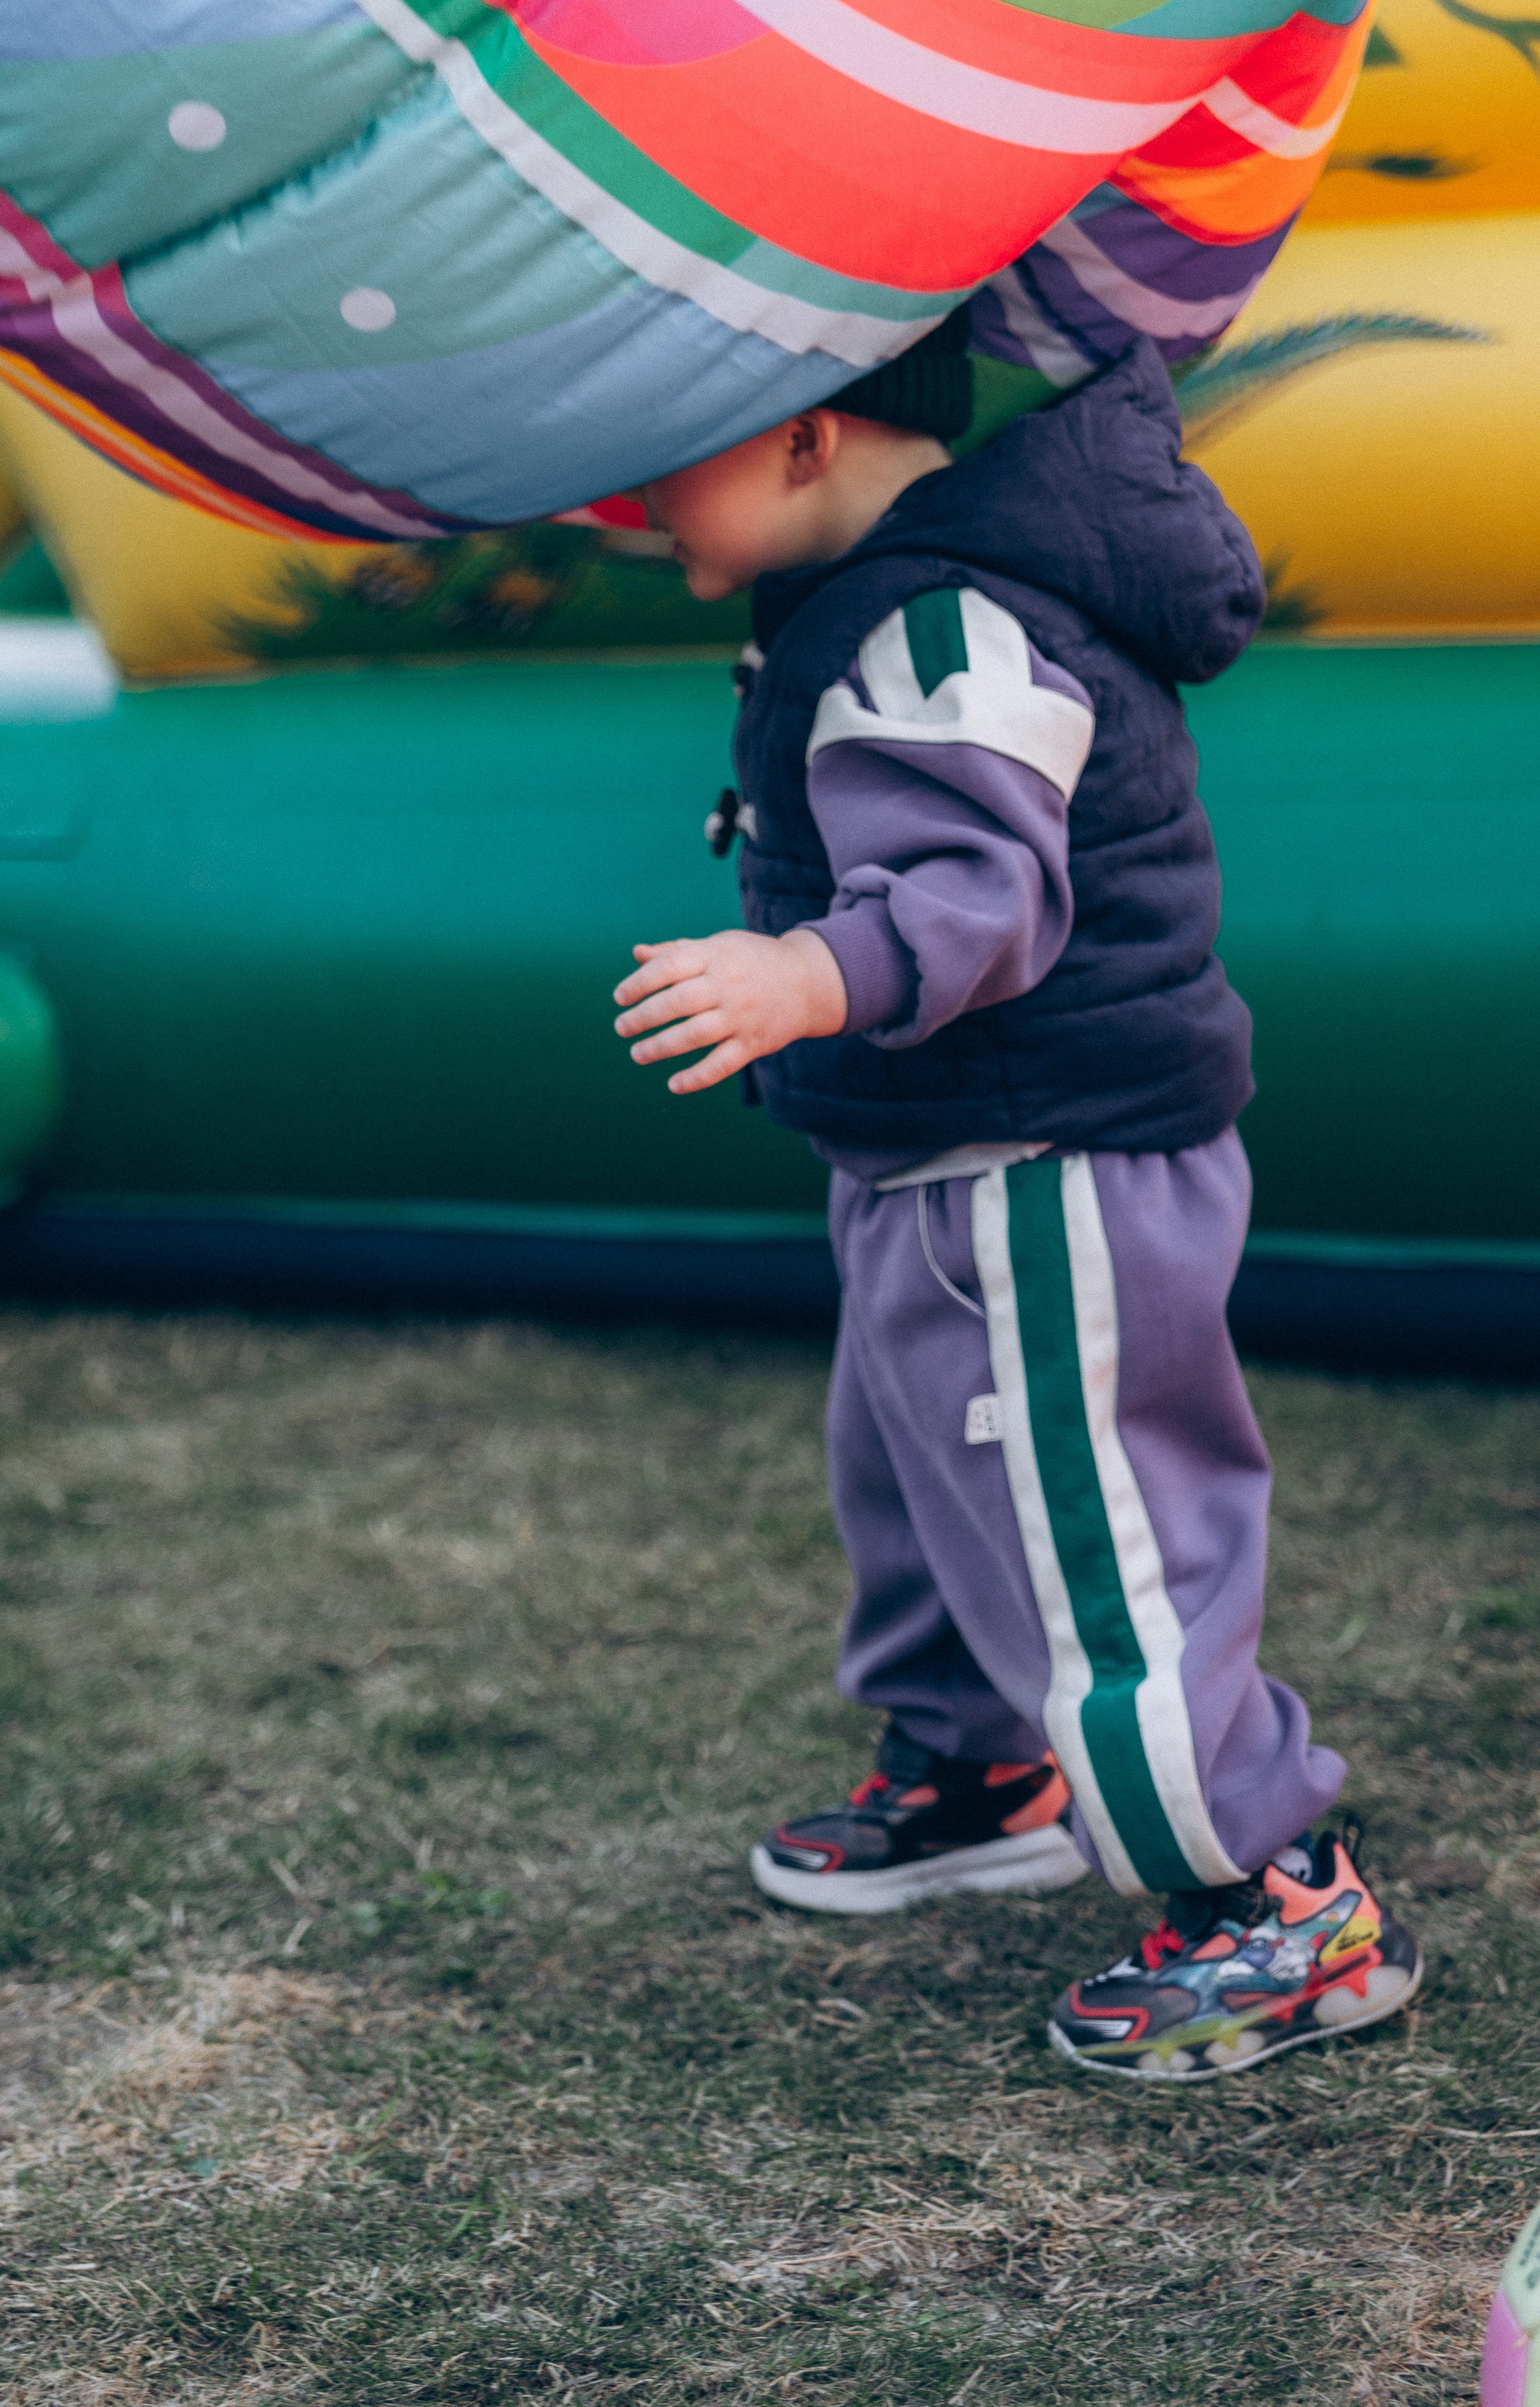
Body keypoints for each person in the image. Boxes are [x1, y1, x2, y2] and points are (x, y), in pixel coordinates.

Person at [609, 307, 1423, 2082]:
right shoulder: (863, 596)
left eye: (665, 447)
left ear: (807, 434)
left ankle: (1275, 1902)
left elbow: (983, 894)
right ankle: (981, 1768)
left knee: (1099, 1528)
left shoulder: (942, 620)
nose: (626, 495)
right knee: (916, 1483)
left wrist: (803, 977)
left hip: (1043, 1164)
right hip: (928, 1153)